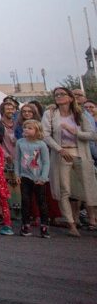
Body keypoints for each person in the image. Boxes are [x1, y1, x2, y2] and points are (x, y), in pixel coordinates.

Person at [42, 86, 97, 237]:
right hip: (61, 154)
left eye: (62, 94)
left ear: (70, 97)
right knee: (64, 190)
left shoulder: (80, 114)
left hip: (80, 153)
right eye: (56, 94)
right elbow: (46, 135)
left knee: (89, 187)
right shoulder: (51, 113)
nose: (59, 96)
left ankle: (92, 219)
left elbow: (93, 135)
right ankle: (71, 224)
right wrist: (59, 149)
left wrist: (76, 132)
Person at [14, 119, 51, 238]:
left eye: (30, 128)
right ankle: (25, 224)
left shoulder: (41, 144)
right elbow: (17, 159)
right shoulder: (20, 142)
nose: (26, 130)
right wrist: (17, 174)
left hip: (38, 177)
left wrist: (43, 177)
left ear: (37, 131)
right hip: (25, 176)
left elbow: (46, 162)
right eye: (25, 127)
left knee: (41, 201)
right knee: (25, 201)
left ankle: (44, 225)